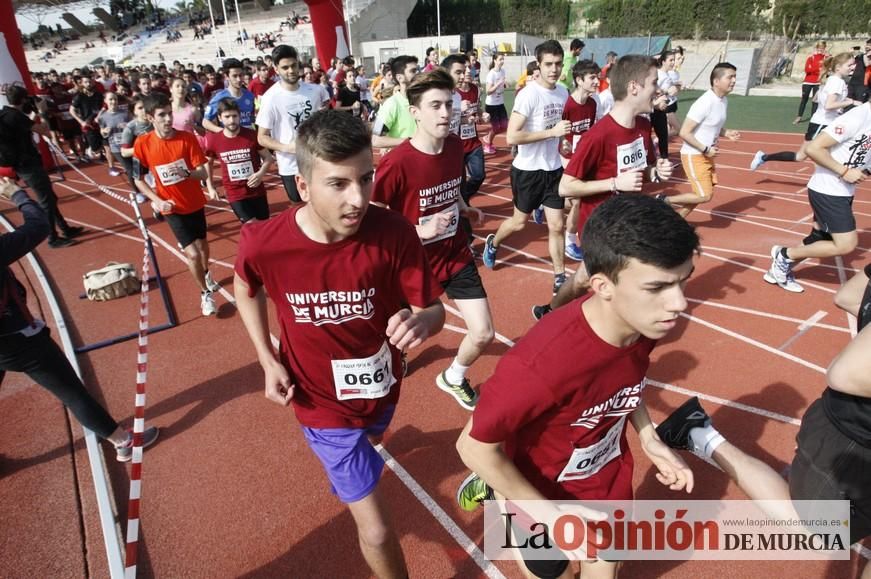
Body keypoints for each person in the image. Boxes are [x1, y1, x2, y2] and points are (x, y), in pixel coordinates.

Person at [234, 110, 445, 578]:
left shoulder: (393, 234)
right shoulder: (264, 242)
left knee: (374, 439)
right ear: (303, 185)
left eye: (366, 179)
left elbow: (434, 308)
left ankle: (364, 451)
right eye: (339, 184)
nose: (358, 199)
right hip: (319, 404)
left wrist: (425, 322)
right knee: (377, 531)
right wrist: (266, 359)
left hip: (381, 389)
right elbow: (244, 286)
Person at [456, 194, 698, 579]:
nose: (679, 303)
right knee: (556, 573)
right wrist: (551, 517)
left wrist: (648, 436)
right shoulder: (540, 364)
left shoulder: (643, 322)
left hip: (605, 480)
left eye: (683, 281)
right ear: (602, 285)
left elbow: (624, 379)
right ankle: (498, 492)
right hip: (537, 490)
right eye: (658, 288)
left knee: (606, 567)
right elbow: (471, 446)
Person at [656, 266, 871, 578]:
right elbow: (845, 373)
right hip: (853, 438)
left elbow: (849, 296)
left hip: (850, 430)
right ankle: (698, 433)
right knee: (819, 534)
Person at [0, 177, 158, 462]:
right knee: (71, 390)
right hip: (17, 339)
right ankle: (122, 441)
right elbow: (38, 227)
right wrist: (18, 195)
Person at [372, 69, 493, 410]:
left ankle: (453, 376)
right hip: (412, 263)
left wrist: (465, 208)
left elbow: (451, 190)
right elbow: (374, 217)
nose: (445, 112)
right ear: (415, 113)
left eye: (448, 104)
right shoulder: (397, 163)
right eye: (435, 105)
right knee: (401, 332)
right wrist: (418, 231)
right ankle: (398, 353)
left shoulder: (455, 146)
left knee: (483, 333)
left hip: (454, 254)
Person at [529, 54, 673, 320]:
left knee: (599, 279)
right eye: (654, 83)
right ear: (634, 87)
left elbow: (643, 171)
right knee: (589, 280)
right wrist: (615, 183)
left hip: (629, 221)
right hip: (600, 226)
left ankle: (558, 315)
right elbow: (565, 187)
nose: (658, 90)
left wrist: (656, 172)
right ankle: (554, 315)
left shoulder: (642, 126)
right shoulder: (599, 135)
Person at [482, 40, 571, 298]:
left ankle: (558, 275)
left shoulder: (563, 92)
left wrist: (561, 140)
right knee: (519, 222)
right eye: (548, 64)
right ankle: (494, 242)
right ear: (539, 65)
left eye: (557, 64)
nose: (553, 69)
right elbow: (512, 137)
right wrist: (550, 133)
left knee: (556, 225)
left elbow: (559, 128)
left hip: (553, 169)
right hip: (528, 172)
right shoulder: (528, 94)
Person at [763, 100, 871, 294]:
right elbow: (814, 148)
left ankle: (776, 271)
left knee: (818, 237)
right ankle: (784, 254)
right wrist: (844, 171)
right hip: (828, 191)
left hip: (842, 190)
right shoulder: (857, 117)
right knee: (847, 244)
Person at [132, 93, 220, 316]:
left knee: (202, 246)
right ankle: (205, 294)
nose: (168, 119)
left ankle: (206, 271)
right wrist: (158, 201)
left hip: (195, 202)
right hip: (172, 207)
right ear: (151, 118)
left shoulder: (187, 138)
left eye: (169, 114)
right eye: (162, 115)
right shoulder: (142, 143)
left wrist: (187, 173)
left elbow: (201, 171)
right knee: (192, 254)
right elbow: (137, 179)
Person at [0, 85, 83, 248]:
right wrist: (42, 112)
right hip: (28, 165)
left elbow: (26, 126)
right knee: (46, 201)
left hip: (23, 164)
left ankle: (65, 228)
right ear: (23, 100)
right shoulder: (16, 116)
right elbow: (44, 130)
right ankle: (52, 238)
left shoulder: (6, 114)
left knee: (50, 198)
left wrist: (35, 113)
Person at [752, 53, 858, 170]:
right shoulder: (836, 82)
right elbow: (829, 105)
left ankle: (763, 157)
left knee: (802, 156)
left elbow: (818, 98)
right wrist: (850, 102)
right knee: (808, 156)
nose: (853, 67)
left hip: (827, 122)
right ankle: (763, 157)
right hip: (822, 124)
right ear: (838, 67)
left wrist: (850, 102)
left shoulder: (833, 80)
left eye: (853, 64)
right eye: (850, 65)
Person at [663, 62, 741, 218]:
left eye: (735, 77)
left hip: (706, 154)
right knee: (704, 195)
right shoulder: (704, 103)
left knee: (702, 192)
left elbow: (711, 126)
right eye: (730, 77)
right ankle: (663, 201)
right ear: (716, 81)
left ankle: (678, 220)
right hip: (694, 154)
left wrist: (726, 133)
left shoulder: (723, 101)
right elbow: (685, 132)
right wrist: (705, 149)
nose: (733, 81)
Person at [256, 44, 325, 203]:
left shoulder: (314, 91)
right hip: (291, 166)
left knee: (322, 205)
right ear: (275, 68)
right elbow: (262, 137)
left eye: (294, 65)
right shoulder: (270, 98)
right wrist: (288, 148)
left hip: (318, 159)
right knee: (299, 210)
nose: (291, 71)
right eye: (285, 67)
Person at [204, 98, 274, 223]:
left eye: (234, 116)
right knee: (251, 225)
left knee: (264, 225)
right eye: (227, 116)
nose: (232, 120)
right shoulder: (214, 140)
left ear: (239, 116)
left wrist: (261, 174)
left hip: (256, 190)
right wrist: (210, 187)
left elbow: (268, 158)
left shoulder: (251, 135)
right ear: (220, 118)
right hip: (234, 193)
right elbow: (207, 163)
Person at [559, 59, 600, 262]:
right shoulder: (566, 104)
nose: (597, 81)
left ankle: (541, 203)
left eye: (597, 77)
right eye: (592, 77)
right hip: (562, 158)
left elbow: (589, 131)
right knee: (577, 200)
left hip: (580, 157)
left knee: (575, 200)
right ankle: (569, 241)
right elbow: (556, 131)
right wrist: (562, 149)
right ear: (578, 79)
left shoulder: (592, 103)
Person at [371, 55, 419, 148]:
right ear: (400, 78)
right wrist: (410, 141)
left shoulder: (423, 101)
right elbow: (375, 140)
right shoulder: (391, 104)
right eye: (413, 71)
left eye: (418, 70)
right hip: (403, 160)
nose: (417, 74)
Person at [203, 58, 256, 132]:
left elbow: (253, 118)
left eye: (241, 75)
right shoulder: (219, 98)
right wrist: (223, 132)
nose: (239, 79)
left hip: (248, 139)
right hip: (230, 141)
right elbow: (205, 122)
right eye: (234, 76)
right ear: (227, 77)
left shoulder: (250, 96)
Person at [97, 92, 130, 178]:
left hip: (128, 144)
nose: (113, 101)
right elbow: (102, 131)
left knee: (132, 167)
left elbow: (134, 125)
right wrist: (104, 131)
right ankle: (137, 190)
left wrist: (127, 126)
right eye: (110, 99)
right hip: (115, 146)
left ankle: (137, 189)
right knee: (128, 167)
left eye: (115, 99)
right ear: (105, 101)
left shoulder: (125, 113)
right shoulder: (103, 117)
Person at [794, 41, 828, 124]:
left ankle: (813, 118)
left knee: (815, 100)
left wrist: (817, 69)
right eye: (819, 47)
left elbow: (825, 70)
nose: (820, 49)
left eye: (822, 47)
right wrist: (818, 68)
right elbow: (807, 70)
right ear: (816, 48)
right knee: (804, 99)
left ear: (824, 48)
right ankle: (799, 116)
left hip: (818, 82)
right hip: (808, 82)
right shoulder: (811, 58)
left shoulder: (825, 58)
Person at [847, 39, 871, 105]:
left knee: (860, 104)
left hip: (863, 86)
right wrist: (850, 53)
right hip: (852, 83)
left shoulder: (866, 56)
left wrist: (867, 54)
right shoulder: (861, 56)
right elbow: (851, 62)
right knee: (848, 103)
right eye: (867, 45)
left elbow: (867, 64)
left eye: (869, 45)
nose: (867, 47)